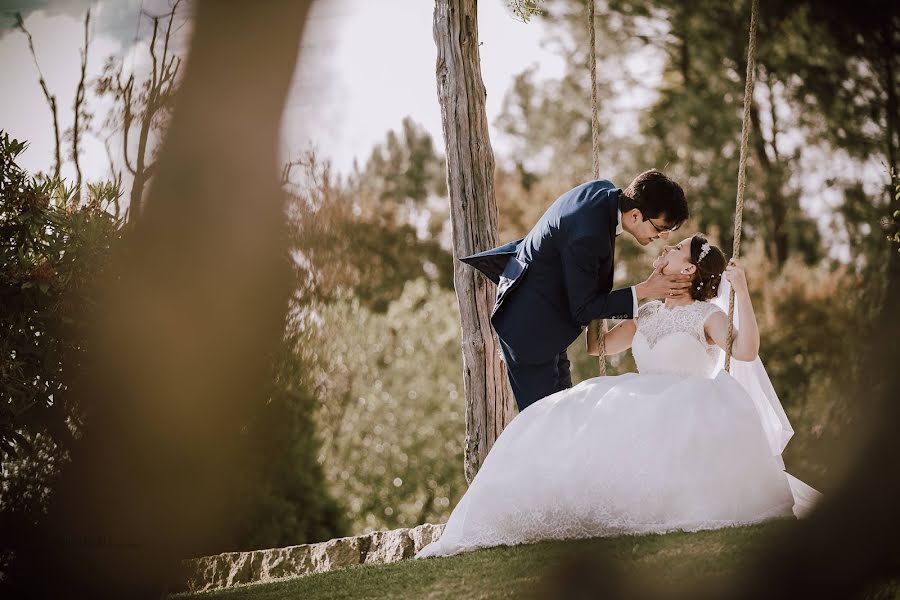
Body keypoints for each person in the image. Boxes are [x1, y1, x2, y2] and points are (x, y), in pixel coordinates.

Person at [417, 234, 821, 559]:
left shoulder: (707, 316)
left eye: (677, 248)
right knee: (558, 415)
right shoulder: (646, 313)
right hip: (640, 397)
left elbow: (746, 351)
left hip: (689, 406)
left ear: (690, 268)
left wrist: (743, 291)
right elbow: (599, 347)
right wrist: (598, 301)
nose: (667, 248)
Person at [461, 170, 691, 412]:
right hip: (530, 332)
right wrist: (645, 290)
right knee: (544, 424)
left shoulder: (604, 191)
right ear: (635, 215)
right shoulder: (588, 235)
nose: (662, 237)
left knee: (566, 416)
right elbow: (584, 309)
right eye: (661, 228)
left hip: (551, 323)